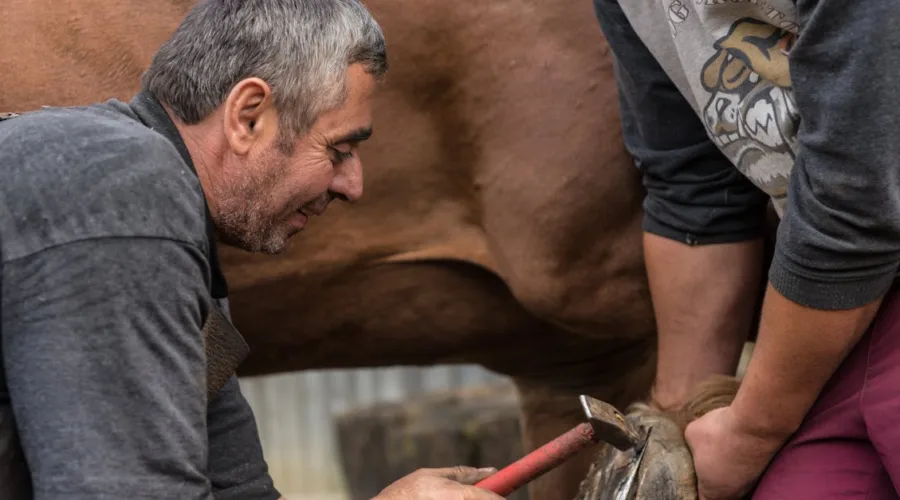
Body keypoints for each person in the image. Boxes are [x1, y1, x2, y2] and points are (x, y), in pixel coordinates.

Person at [0, 0, 505, 499]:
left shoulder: (174, 236)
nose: (354, 186)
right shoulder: (121, 193)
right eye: (339, 150)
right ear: (248, 117)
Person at [590, 0, 900, 499]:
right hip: (843, 315)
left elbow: (858, 196)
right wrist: (671, 434)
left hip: (855, 264)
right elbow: (692, 188)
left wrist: (750, 431)